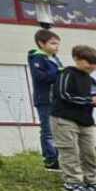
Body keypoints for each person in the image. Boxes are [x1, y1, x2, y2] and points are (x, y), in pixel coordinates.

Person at [50, 45, 96, 191]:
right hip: (64, 118)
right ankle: (73, 183)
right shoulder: (67, 73)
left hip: (85, 121)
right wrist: (90, 100)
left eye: (95, 63)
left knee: (89, 153)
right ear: (77, 58)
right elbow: (64, 95)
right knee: (70, 152)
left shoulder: (92, 81)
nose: (92, 66)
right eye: (88, 62)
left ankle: (91, 182)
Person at [27, 29, 62, 170]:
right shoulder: (38, 58)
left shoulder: (55, 59)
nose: (56, 47)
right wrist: (57, 73)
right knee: (48, 130)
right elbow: (40, 77)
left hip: (57, 99)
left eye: (58, 44)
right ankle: (50, 160)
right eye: (53, 43)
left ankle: (59, 157)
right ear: (41, 43)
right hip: (44, 99)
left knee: (58, 129)